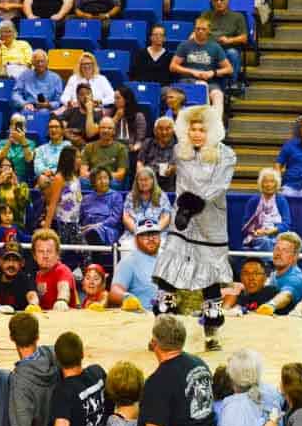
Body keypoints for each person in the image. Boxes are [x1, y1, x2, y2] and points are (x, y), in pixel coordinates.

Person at [152, 105, 237, 350]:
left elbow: (219, 186)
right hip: (184, 223)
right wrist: (183, 209)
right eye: (193, 129)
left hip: (210, 224)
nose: (197, 134)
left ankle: (212, 335)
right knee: (168, 277)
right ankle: (160, 332)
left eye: (202, 129)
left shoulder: (227, 154)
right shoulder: (181, 151)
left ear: (212, 130)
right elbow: (182, 184)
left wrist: (192, 206)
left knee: (210, 281)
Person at [170, 15, 233, 110]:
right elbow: (173, 66)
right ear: (194, 30)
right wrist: (192, 72)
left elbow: (229, 69)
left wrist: (213, 73)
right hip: (188, 81)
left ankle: (216, 122)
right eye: (197, 29)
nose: (200, 31)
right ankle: (205, 118)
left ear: (208, 31)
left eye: (203, 29)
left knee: (218, 95)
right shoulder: (185, 45)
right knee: (202, 86)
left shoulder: (215, 47)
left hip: (209, 82)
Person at [203, 0, 248, 89]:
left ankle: (231, 84)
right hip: (209, 48)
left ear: (228, 0)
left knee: (232, 53)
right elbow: (199, 31)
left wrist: (229, 40)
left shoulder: (238, 16)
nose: (219, 2)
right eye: (215, 0)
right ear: (211, 2)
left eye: (222, 0)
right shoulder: (206, 15)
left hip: (227, 48)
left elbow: (244, 38)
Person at [110, 219, 161, 308]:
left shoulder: (166, 259)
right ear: (136, 239)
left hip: (169, 316)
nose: (151, 239)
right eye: (145, 235)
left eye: (154, 234)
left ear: (160, 238)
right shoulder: (129, 261)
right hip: (141, 316)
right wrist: (127, 298)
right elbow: (114, 291)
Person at [240, 168, 291, 251]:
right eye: (265, 181)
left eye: (272, 181)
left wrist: (270, 231)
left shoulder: (281, 200)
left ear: (276, 184)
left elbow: (286, 223)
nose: (268, 185)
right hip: (259, 236)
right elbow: (246, 224)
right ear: (261, 184)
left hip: (277, 234)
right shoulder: (254, 201)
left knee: (277, 242)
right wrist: (256, 232)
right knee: (265, 242)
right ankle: (271, 263)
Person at [32, 228, 78, 308]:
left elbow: (64, 287)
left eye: (49, 251)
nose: (45, 256)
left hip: (63, 318)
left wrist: (62, 300)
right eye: (41, 251)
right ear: (34, 255)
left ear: (57, 254)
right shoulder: (36, 275)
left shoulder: (62, 270)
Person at [0, 240, 39, 310]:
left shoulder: (26, 280)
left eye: (15, 260)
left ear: (22, 263)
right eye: (7, 260)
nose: (11, 264)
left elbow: (32, 295)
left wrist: (33, 305)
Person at [79, 167, 124, 245]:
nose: (103, 181)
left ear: (109, 179)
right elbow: (81, 218)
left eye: (105, 178)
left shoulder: (116, 196)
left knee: (94, 232)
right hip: (86, 229)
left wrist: (97, 226)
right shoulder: (86, 198)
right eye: (99, 179)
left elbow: (114, 219)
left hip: (108, 229)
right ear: (93, 181)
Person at [12, 50, 64, 114]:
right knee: (26, 112)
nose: (40, 64)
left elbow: (59, 101)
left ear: (47, 62)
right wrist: (24, 104)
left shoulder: (56, 78)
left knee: (43, 112)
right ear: (33, 63)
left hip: (47, 108)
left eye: (42, 61)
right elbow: (16, 94)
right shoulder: (25, 75)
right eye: (37, 61)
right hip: (29, 106)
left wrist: (48, 105)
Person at [81, 117, 130, 182]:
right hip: (92, 181)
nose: (105, 130)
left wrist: (102, 177)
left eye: (109, 128)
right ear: (98, 130)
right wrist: (97, 178)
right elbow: (83, 173)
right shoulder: (89, 147)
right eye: (103, 127)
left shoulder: (121, 148)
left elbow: (120, 175)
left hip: (111, 182)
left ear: (114, 131)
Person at [137, 115, 178, 192]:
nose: (164, 132)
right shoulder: (148, 143)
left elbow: (177, 165)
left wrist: (173, 169)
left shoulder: (178, 146)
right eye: (160, 129)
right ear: (155, 131)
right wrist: (141, 173)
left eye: (168, 129)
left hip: (169, 182)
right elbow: (140, 162)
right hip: (149, 180)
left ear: (173, 130)